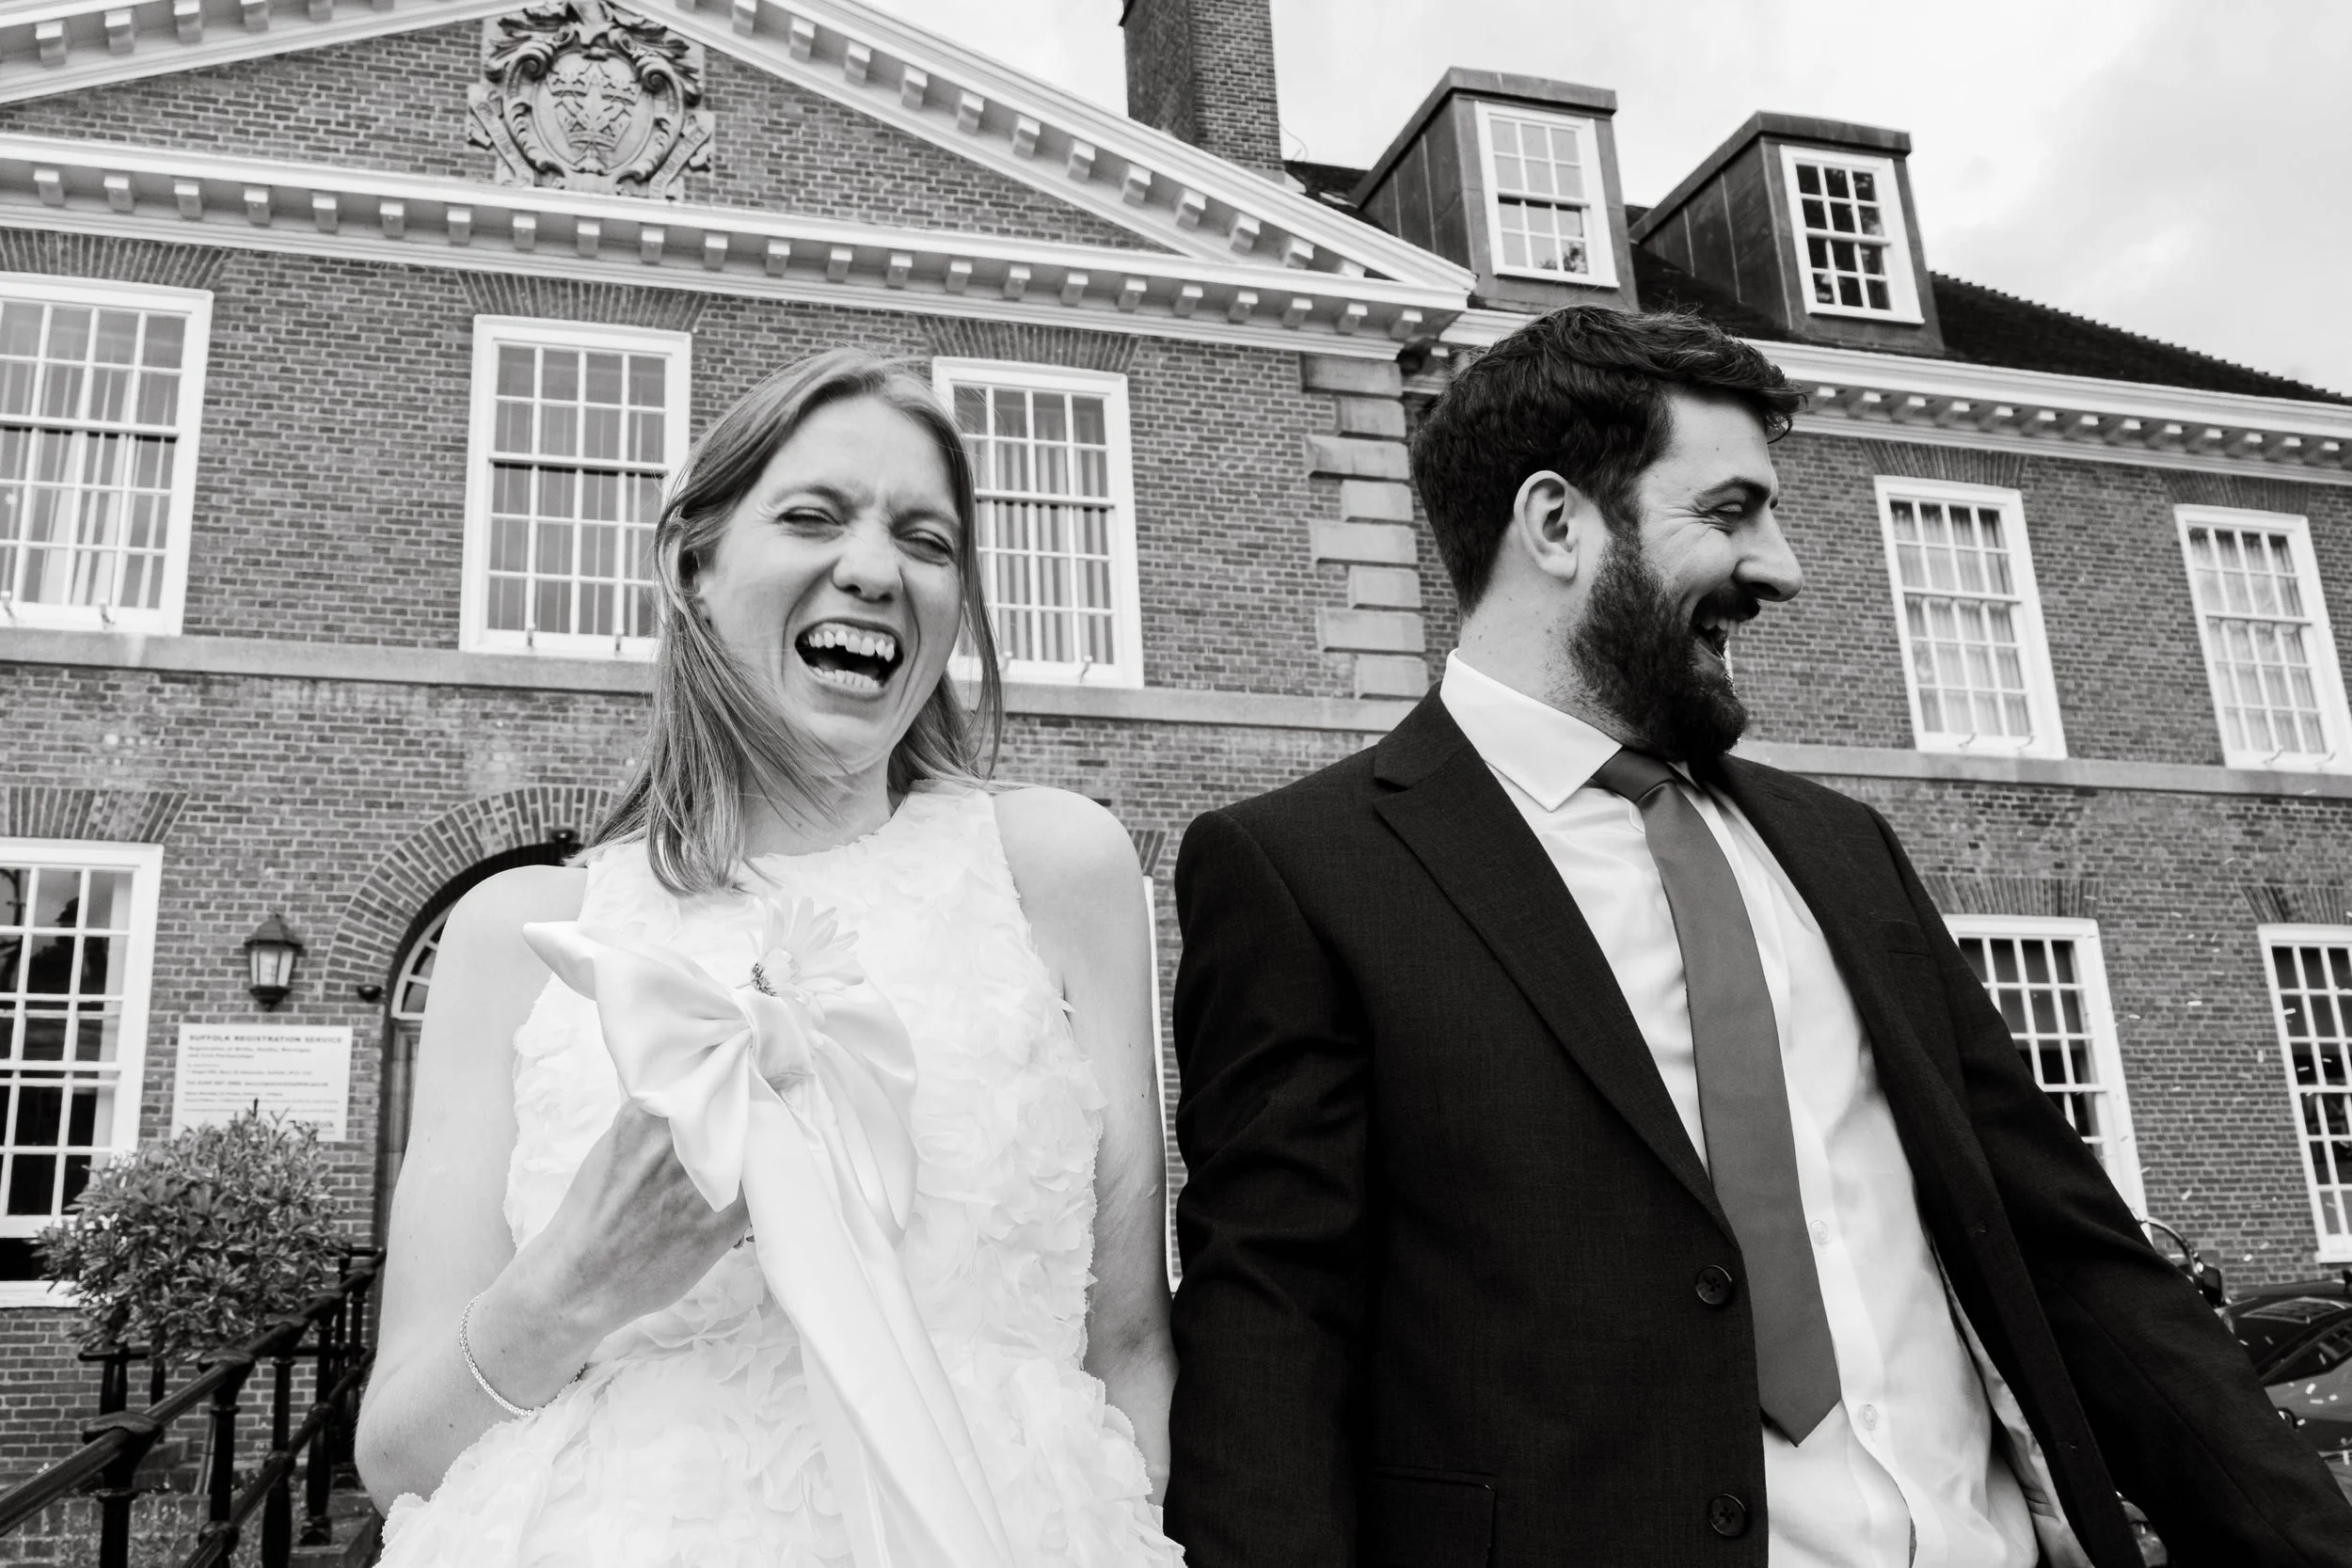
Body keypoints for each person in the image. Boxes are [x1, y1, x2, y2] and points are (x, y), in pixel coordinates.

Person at [1162, 306, 2352, 1568]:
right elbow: (1273, 1341)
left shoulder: (1842, 848)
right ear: (1557, 524)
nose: (1781, 567)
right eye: (1731, 513)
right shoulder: (1305, 870)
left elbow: (2078, 1256)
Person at [356, 349, 1183, 1568]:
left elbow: (1131, 1356)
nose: (874, 566)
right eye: (813, 514)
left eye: (928, 538)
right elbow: (397, 1458)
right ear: (694, 568)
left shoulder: (1060, 873)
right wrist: (580, 1276)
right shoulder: (516, 935)